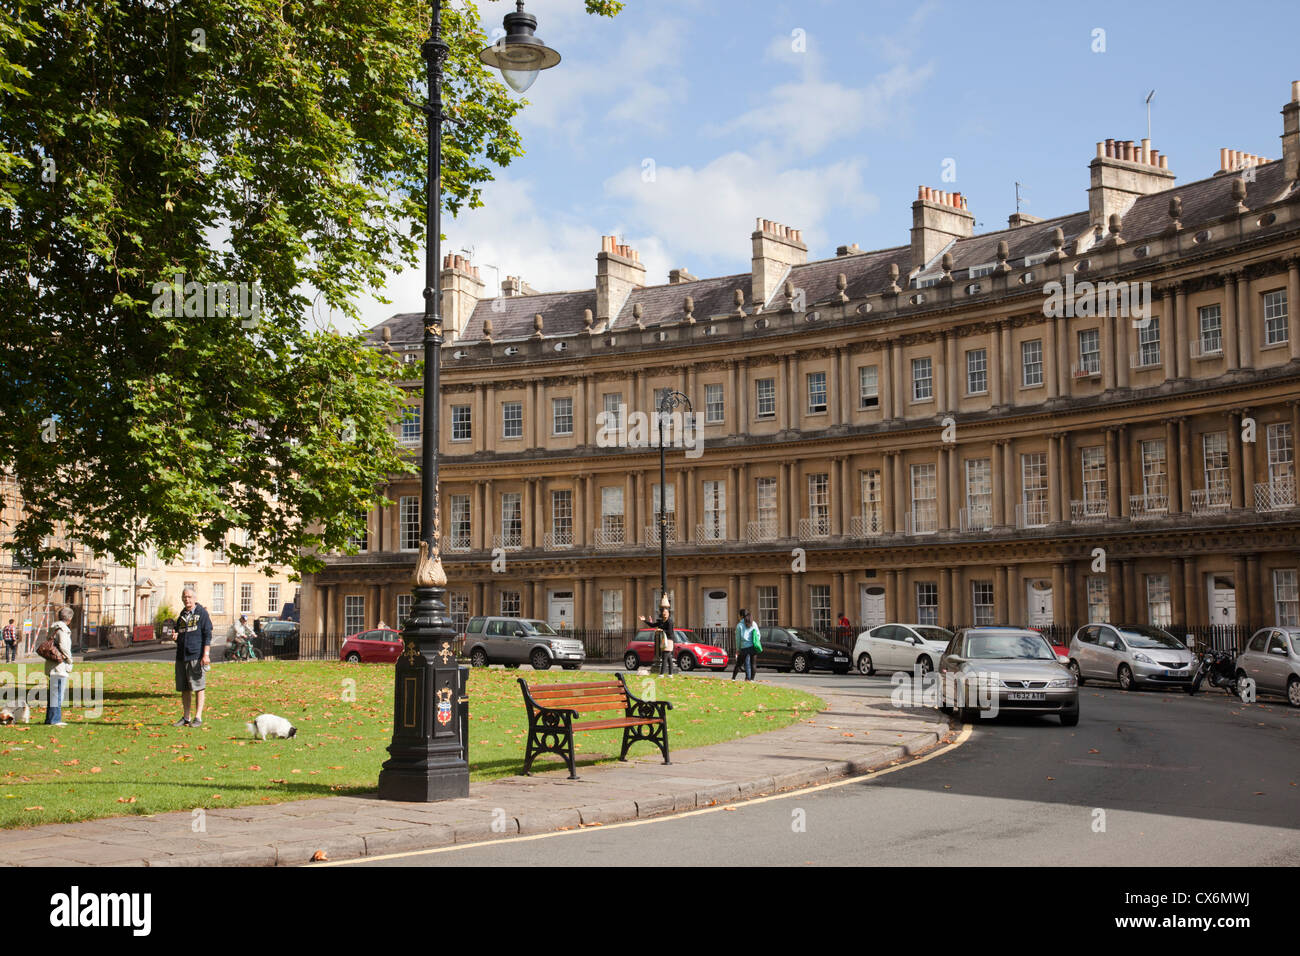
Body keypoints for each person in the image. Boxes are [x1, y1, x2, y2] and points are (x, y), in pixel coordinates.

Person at [173, 587, 212, 727]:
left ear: (195, 598)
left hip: (196, 655)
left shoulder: (202, 614)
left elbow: (207, 635)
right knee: (184, 688)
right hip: (181, 656)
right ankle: (186, 717)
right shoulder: (182, 614)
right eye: (184, 597)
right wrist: (176, 637)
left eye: (189, 597)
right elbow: (180, 633)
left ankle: (198, 717)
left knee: (198, 687)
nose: (187, 599)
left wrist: (205, 655)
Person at [44, 606, 73, 726]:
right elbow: (64, 646)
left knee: (54, 693)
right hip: (59, 665)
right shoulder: (62, 629)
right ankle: (55, 719)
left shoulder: (53, 627)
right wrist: (70, 660)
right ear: (69, 618)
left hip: (52, 664)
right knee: (58, 693)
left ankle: (51, 718)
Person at [639, 602, 675, 676]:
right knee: (669, 658)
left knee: (665, 656)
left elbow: (670, 631)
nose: (664, 614)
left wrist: (661, 630)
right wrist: (644, 620)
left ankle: (662, 674)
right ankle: (670, 674)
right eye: (664, 613)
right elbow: (652, 625)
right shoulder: (661, 621)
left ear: (668, 614)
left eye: (666, 613)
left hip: (669, 640)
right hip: (664, 640)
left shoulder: (670, 621)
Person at [732, 608, 762, 681]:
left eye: (739, 615)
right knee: (753, 664)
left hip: (744, 647)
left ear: (741, 616)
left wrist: (738, 649)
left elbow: (738, 639)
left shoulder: (739, 625)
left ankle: (733, 678)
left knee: (739, 664)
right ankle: (752, 680)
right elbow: (758, 635)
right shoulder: (753, 623)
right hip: (753, 647)